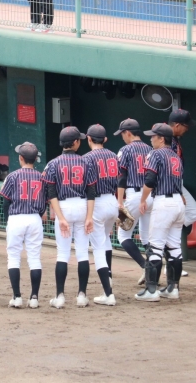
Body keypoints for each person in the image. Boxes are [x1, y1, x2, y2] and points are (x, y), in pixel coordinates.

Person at [42, 126, 97, 309]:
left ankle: (60, 297)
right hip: (82, 206)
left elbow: (51, 192)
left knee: (63, 254)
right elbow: (91, 191)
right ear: (75, 142)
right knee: (82, 253)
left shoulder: (53, 163)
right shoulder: (86, 162)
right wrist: (89, 216)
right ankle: (82, 296)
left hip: (63, 207)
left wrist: (60, 217)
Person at [135, 123, 185, 302]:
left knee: (154, 247)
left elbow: (150, 180)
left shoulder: (155, 154)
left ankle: (151, 290)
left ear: (162, 138)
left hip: (164, 202)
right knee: (174, 248)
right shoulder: (175, 156)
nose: (151, 139)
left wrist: (143, 200)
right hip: (178, 202)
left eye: (153, 136)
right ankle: (172, 288)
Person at [1, 142, 46, 309]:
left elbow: (6, 202)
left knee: (13, 257)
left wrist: (8, 221)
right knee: (34, 258)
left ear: (21, 158)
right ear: (35, 159)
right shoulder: (41, 177)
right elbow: (44, 203)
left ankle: (17, 297)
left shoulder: (12, 176)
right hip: (35, 218)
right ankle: (34, 298)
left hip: (16, 218)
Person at [114, 118, 153, 285]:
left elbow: (121, 177)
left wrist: (119, 202)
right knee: (146, 237)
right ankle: (153, 272)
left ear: (128, 133)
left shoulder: (125, 150)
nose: (122, 137)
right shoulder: (150, 149)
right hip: (151, 196)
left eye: (122, 134)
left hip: (134, 195)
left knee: (123, 235)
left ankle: (145, 267)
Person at [81, 124, 117, 306]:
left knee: (98, 248)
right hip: (113, 201)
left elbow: (85, 186)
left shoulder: (86, 158)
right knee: (105, 239)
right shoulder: (113, 155)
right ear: (105, 139)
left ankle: (108, 293)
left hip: (97, 203)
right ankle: (108, 277)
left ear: (88, 138)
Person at [169, 109, 196, 277]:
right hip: (172, 183)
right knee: (192, 212)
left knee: (192, 213)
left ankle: (168, 233)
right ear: (177, 125)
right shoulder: (168, 140)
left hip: (176, 182)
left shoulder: (174, 139)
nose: (187, 129)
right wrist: (177, 190)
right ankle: (169, 259)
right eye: (186, 126)